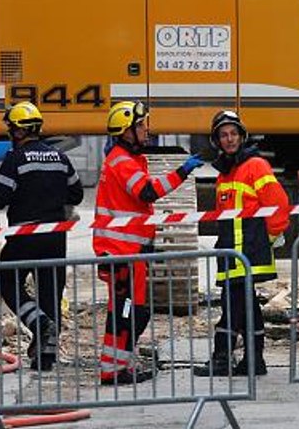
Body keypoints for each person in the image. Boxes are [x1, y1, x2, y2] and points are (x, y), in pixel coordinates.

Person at [93, 100, 203, 385]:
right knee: (127, 312)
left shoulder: (127, 158)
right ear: (126, 131)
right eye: (141, 125)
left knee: (131, 312)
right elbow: (148, 192)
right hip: (122, 256)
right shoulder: (122, 161)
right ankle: (113, 370)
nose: (146, 130)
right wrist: (183, 171)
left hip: (128, 254)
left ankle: (118, 367)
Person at [194, 110, 290, 377]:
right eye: (223, 135)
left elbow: (279, 205)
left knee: (232, 306)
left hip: (247, 253)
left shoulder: (255, 165)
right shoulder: (226, 172)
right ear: (217, 140)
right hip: (232, 253)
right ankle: (254, 361)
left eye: (233, 134)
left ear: (242, 136)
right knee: (246, 307)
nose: (229, 139)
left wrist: (268, 239)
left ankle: (223, 358)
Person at [0, 102, 84, 369]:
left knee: (8, 281)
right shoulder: (60, 158)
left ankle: (38, 322)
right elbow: (76, 193)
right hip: (55, 237)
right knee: (51, 292)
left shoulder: (15, 159)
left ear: (18, 132)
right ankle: (46, 357)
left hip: (23, 237)